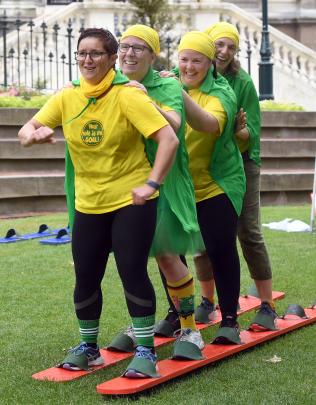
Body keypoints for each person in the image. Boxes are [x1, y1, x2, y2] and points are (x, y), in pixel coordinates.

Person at [18, 28, 179, 378]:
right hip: (89, 202)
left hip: (131, 200)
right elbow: (25, 131)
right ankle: (89, 348)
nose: (87, 60)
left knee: (131, 272)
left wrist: (153, 182)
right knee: (86, 276)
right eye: (82, 54)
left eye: (95, 54)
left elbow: (168, 138)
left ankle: (146, 352)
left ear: (110, 59)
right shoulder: (67, 96)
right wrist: (35, 136)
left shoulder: (127, 95)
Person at [103, 24, 205, 360]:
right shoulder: (112, 84)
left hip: (164, 182)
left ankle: (189, 327)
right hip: (125, 182)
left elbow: (174, 123)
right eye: (124, 46)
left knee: (166, 256)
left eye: (138, 48)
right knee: (131, 262)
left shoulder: (165, 84)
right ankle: (141, 326)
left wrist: (144, 98)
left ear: (152, 55)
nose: (129, 53)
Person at [193, 22, 277, 331]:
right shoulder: (197, 74)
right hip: (205, 164)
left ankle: (267, 304)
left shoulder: (242, 83)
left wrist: (239, 131)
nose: (224, 51)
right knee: (203, 235)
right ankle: (207, 300)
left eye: (231, 46)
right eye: (219, 44)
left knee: (247, 232)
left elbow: (251, 132)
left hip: (241, 163)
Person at [173, 31, 246, 343]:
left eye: (197, 60)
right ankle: (178, 313)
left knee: (219, 249)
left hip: (218, 183)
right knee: (171, 253)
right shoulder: (168, 82)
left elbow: (210, 125)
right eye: (184, 59)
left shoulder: (222, 92)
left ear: (209, 64)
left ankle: (229, 317)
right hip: (180, 184)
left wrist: (176, 91)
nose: (189, 66)